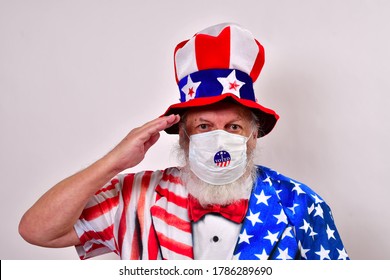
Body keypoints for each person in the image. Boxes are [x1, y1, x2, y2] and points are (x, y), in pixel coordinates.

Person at [19, 23, 349, 260]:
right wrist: (113, 162)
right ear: (184, 137)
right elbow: (37, 231)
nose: (219, 136)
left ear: (252, 137)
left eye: (233, 126)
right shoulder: (136, 198)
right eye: (204, 125)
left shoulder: (301, 204)